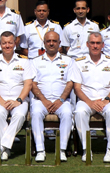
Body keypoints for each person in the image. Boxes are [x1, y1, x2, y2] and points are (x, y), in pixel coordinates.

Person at [0, 31, 35, 161]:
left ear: (15, 44)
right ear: (0, 44)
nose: (7, 45)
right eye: (4, 43)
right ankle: (5, 150)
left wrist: (18, 100)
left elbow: (28, 84)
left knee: (20, 115)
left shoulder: (24, 61)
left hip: (19, 99)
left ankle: (1, 148)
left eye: (10, 43)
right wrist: (1, 101)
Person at [70, 31, 110, 163]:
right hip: (86, 100)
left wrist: (106, 101)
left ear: (103, 45)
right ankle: (86, 149)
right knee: (79, 112)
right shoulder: (79, 62)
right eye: (92, 43)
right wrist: (90, 102)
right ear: (87, 44)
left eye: (98, 43)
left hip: (106, 99)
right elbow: (77, 88)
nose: (95, 46)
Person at [30, 31, 75, 162]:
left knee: (67, 113)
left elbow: (70, 83)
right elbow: (33, 84)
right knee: (36, 113)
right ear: (44, 43)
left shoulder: (68, 61)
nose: (51, 43)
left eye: (54, 41)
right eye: (48, 41)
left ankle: (62, 149)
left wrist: (60, 100)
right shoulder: (35, 61)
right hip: (40, 100)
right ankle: (40, 150)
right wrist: (44, 100)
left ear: (59, 43)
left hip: (62, 100)